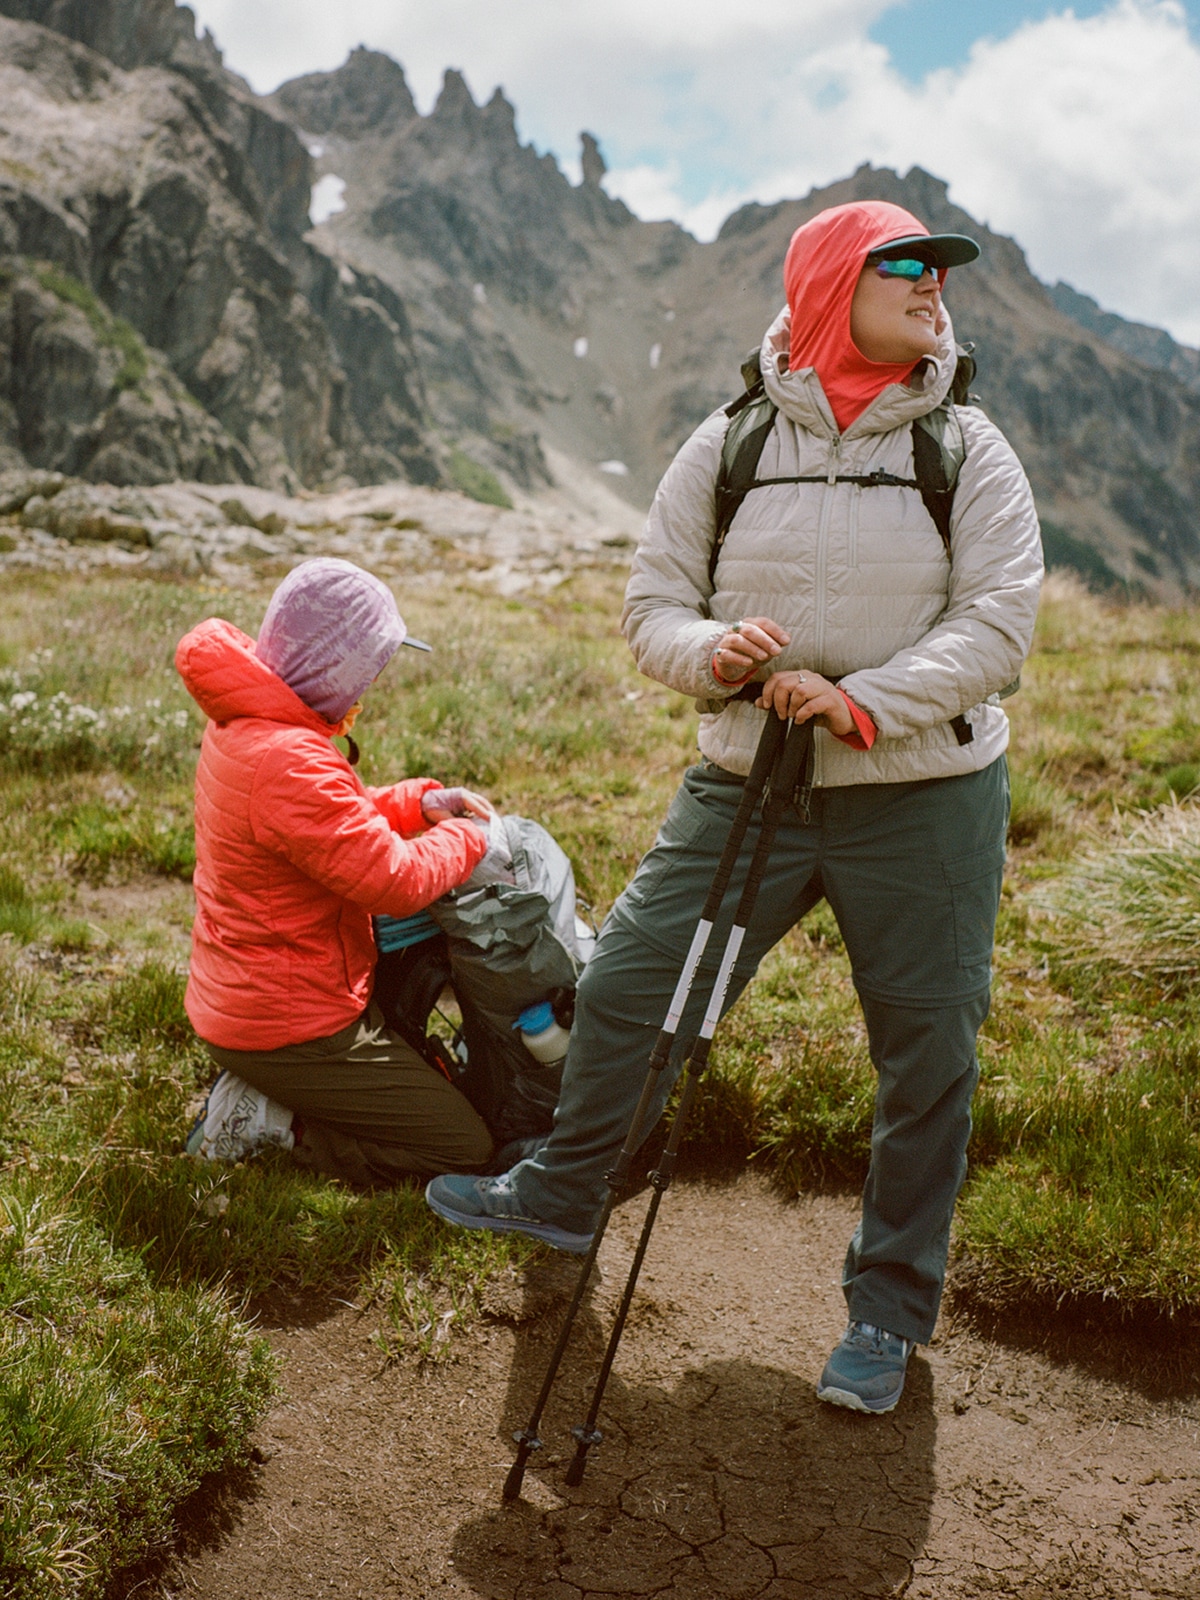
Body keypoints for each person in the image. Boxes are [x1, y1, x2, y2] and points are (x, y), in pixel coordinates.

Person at [424, 198, 1043, 1416]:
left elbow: (999, 625)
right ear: (827, 289)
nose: (935, 286)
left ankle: (886, 1312)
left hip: (922, 799)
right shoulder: (730, 441)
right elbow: (652, 603)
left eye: (939, 271)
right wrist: (713, 652)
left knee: (927, 1056)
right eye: (905, 267)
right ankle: (564, 1189)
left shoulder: (971, 448)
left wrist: (859, 699)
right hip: (747, 781)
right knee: (636, 988)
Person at [179, 556, 508, 1186]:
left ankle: (277, 1090)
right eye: (368, 670)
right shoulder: (288, 758)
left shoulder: (250, 724)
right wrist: (469, 838)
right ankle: (273, 1124)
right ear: (334, 666)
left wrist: (416, 803)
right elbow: (392, 878)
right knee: (463, 1147)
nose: (366, 690)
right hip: (289, 1021)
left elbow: (325, 824)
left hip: (249, 994)